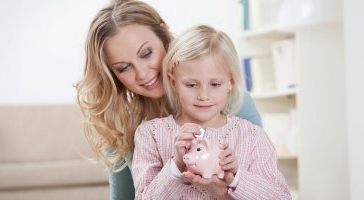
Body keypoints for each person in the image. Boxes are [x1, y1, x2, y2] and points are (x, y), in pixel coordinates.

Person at [75, 1, 262, 199]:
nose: (142, 73)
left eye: (147, 54)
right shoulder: (124, 128)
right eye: (123, 67)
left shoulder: (231, 100)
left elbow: (264, 184)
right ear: (113, 75)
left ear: (163, 32)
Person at [132, 24, 291, 199]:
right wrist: (176, 166)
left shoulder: (252, 137)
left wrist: (237, 178)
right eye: (191, 85)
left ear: (230, 83)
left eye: (215, 84)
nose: (203, 95)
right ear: (173, 82)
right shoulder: (150, 135)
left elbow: (281, 197)